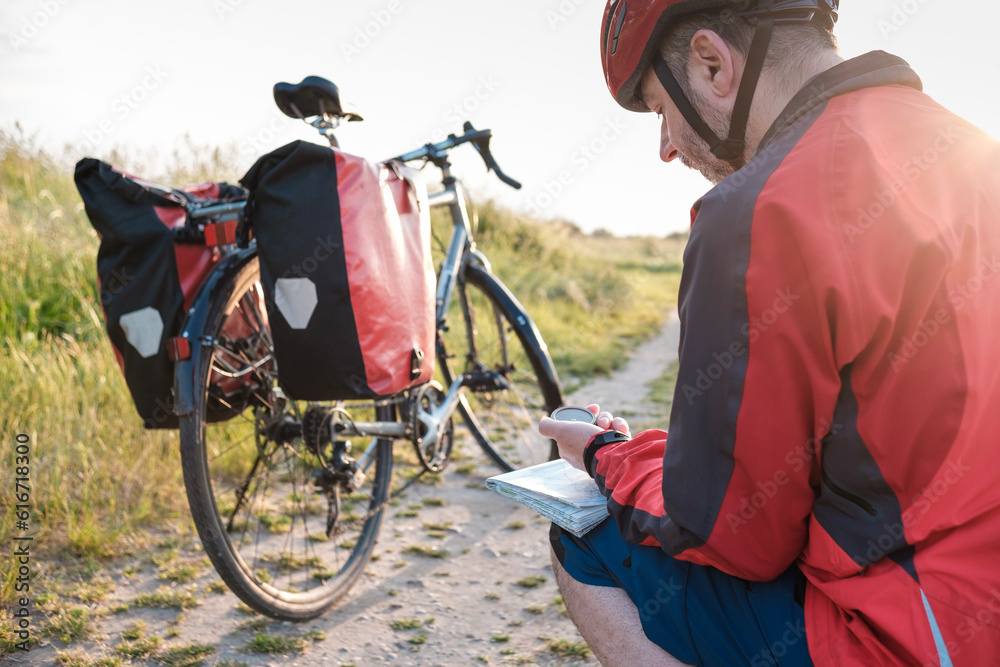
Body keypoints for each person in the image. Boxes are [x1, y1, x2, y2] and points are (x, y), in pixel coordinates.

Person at [538, 0, 1000, 665]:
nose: (666, 146)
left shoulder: (758, 211)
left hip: (916, 635)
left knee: (579, 535)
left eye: (660, 111)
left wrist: (609, 454)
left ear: (711, 63)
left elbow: (731, 536)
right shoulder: (971, 151)